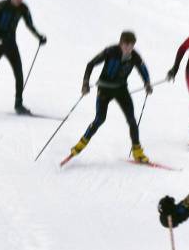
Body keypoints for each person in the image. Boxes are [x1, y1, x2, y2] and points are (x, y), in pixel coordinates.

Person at [66, 31, 154, 164]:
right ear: (120, 43)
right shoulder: (110, 51)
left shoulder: (134, 56)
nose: (128, 49)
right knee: (100, 119)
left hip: (121, 89)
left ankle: (137, 152)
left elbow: (142, 68)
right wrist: (85, 83)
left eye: (131, 46)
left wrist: (147, 83)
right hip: (104, 89)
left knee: (131, 120)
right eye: (126, 45)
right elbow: (90, 64)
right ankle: (79, 146)